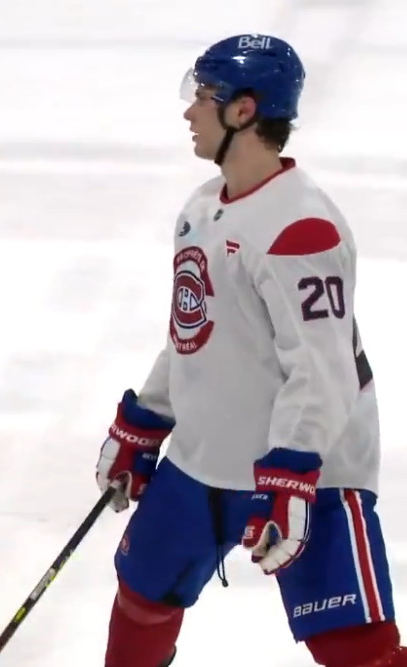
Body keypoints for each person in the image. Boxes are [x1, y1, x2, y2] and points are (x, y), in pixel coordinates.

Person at [94, 34, 403, 667]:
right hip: (206, 458)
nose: (189, 112)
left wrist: (291, 477)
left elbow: (324, 375)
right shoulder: (203, 208)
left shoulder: (301, 227)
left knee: (358, 651)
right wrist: (148, 420)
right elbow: (197, 329)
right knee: (142, 600)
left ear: (243, 111)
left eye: (203, 97)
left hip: (311, 470)